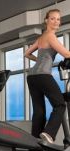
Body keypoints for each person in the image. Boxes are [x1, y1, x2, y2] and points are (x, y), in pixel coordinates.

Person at [25, 9, 70, 143]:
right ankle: (49, 133)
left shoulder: (40, 38)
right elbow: (67, 54)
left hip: (32, 77)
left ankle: (35, 145)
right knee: (60, 105)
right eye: (52, 18)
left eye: (58, 19)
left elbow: (26, 53)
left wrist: (39, 62)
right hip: (43, 75)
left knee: (39, 111)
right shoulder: (50, 36)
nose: (56, 21)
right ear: (46, 20)